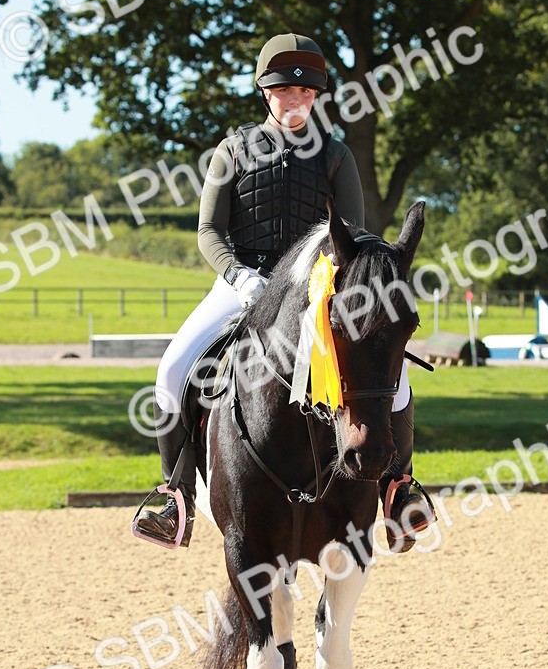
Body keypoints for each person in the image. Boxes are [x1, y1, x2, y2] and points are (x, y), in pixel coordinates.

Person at [136, 32, 432, 551]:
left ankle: (399, 489)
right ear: (266, 93)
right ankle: (174, 496)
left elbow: (353, 238)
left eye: (304, 94)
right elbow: (209, 232)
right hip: (242, 283)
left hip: (314, 292)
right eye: (283, 93)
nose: (294, 101)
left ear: (315, 97)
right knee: (173, 367)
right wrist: (238, 276)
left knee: (396, 372)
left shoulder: (336, 155)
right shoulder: (231, 151)